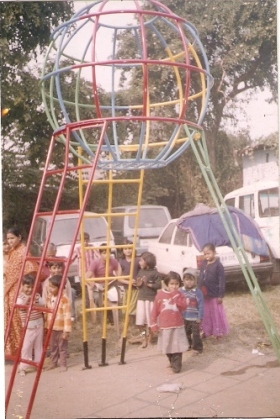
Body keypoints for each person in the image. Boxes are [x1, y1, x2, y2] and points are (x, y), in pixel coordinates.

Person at [5, 227, 38, 357]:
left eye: (12, 238)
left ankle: (27, 352)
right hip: (10, 290)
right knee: (13, 321)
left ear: (19, 237)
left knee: (21, 320)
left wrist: (23, 289)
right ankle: (17, 351)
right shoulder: (12, 252)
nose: (10, 241)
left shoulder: (24, 251)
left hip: (20, 290)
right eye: (8, 239)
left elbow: (30, 271)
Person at [150, 271, 188, 373]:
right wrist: (153, 324)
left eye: (176, 284)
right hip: (164, 326)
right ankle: (172, 362)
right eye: (172, 284)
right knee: (166, 346)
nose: (174, 286)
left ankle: (176, 366)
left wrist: (176, 296)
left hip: (177, 325)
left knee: (177, 347)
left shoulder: (180, 294)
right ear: (167, 283)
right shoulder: (160, 295)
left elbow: (183, 306)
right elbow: (154, 310)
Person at [85, 243, 122, 327]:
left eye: (108, 253)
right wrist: (95, 284)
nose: (106, 255)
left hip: (110, 283)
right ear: (100, 254)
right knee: (99, 299)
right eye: (104, 253)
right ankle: (104, 317)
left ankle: (112, 318)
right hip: (99, 284)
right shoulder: (95, 263)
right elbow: (87, 277)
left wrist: (117, 277)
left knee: (115, 297)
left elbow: (118, 269)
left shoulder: (113, 261)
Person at [198, 242, 229, 338]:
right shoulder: (203, 263)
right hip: (204, 293)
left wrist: (220, 295)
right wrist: (198, 290)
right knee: (206, 313)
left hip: (214, 294)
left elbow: (222, 281)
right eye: (205, 254)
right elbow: (200, 277)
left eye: (209, 253)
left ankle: (217, 331)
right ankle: (206, 331)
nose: (206, 256)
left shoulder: (218, 265)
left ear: (214, 252)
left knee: (215, 314)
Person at [16, 274, 45, 376]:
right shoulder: (20, 297)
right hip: (29, 326)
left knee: (38, 345)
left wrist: (35, 301)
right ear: (22, 286)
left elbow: (43, 304)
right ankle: (23, 367)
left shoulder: (36, 295)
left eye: (32, 287)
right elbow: (21, 307)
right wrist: (28, 299)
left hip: (39, 323)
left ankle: (38, 363)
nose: (30, 289)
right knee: (26, 347)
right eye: (28, 287)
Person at [45, 274, 72, 372]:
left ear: (60, 287)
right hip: (52, 327)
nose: (50, 289)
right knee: (53, 347)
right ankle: (53, 363)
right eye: (49, 286)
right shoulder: (49, 297)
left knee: (62, 347)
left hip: (61, 328)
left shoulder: (64, 299)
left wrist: (67, 331)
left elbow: (67, 316)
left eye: (53, 287)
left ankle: (63, 364)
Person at [134, 251, 161, 348]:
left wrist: (148, 284)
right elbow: (139, 284)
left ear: (148, 262)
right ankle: (144, 337)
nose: (139, 262)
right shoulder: (141, 272)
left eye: (141, 260)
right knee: (140, 321)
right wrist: (138, 283)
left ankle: (150, 338)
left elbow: (158, 285)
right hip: (141, 299)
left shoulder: (155, 273)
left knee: (150, 320)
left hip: (150, 300)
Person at [180, 268, 204, 353]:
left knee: (195, 334)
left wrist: (199, 317)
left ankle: (198, 348)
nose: (189, 282)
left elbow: (201, 305)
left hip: (194, 318)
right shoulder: (180, 291)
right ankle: (188, 345)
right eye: (187, 280)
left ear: (195, 281)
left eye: (191, 280)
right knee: (185, 332)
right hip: (184, 316)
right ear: (183, 280)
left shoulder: (197, 292)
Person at [118, 239, 140, 327]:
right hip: (127, 288)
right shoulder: (121, 261)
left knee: (134, 306)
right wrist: (128, 282)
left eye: (130, 248)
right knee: (127, 307)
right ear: (122, 250)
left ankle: (135, 324)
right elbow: (119, 278)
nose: (128, 250)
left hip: (136, 288)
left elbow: (142, 273)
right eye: (125, 248)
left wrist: (138, 281)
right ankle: (127, 325)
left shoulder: (138, 260)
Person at [71, 232, 96, 308]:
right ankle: (86, 308)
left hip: (91, 273)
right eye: (83, 241)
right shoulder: (78, 249)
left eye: (87, 240)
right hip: (82, 274)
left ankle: (93, 307)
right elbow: (71, 259)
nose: (85, 242)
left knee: (92, 290)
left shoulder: (92, 247)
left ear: (89, 240)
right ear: (80, 241)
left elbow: (98, 256)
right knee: (85, 291)